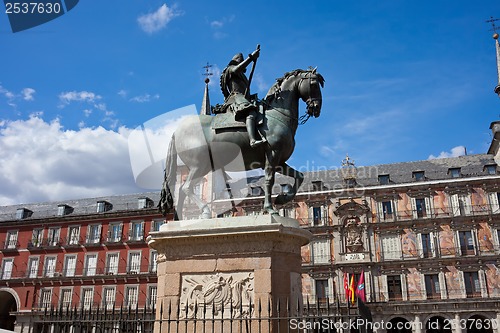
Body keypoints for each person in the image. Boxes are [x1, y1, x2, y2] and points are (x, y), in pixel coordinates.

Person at [220, 48, 265, 147]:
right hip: (236, 97)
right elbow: (237, 69)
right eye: (241, 60)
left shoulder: (241, 75)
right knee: (251, 111)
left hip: (245, 98)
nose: (242, 62)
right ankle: (252, 140)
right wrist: (251, 57)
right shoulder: (230, 69)